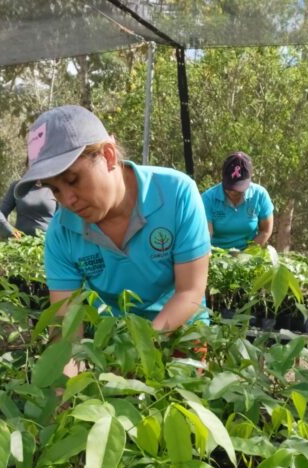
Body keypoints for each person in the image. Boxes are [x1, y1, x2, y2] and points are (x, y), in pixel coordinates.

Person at [13, 105, 210, 335]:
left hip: (181, 331)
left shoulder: (176, 193)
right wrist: (66, 357)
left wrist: (141, 347)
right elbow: (66, 325)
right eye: (54, 190)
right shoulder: (61, 232)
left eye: (73, 180)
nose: (67, 200)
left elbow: (189, 292)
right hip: (114, 337)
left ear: (108, 155)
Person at [201, 151, 274, 249]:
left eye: (239, 189)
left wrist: (246, 254)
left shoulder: (260, 195)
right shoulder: (208, 198)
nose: (233, 192)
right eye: (229, 187)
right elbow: (206, 238)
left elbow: (265, 231)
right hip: (217, 253)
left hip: (250, 252)